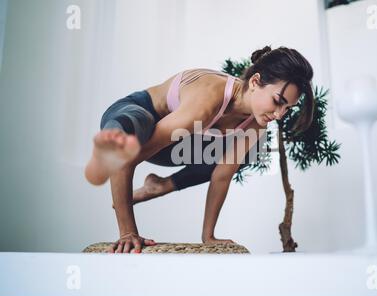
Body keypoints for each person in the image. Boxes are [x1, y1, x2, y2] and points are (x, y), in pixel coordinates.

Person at [84, 46, 315, 253]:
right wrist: (127, 232)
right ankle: (107, 151)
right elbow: (130, 159)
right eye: (277, 101)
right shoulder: (208, 100)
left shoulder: (256, 123)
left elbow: (222, 175)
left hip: (172, 147)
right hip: (136, 116)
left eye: (287, 108)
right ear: (255, 82)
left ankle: (160, 184)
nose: (278, 115)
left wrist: (208, 236)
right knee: (137, 124)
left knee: (246, 155)